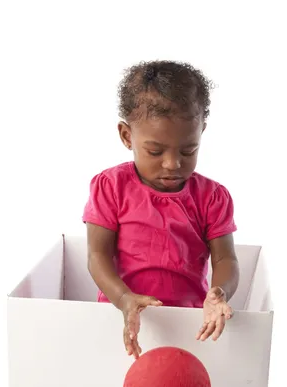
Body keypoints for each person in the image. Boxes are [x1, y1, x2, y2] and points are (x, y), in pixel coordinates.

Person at [83, 60, 239, 359]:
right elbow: (97, 255)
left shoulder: (212, 197)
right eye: (155, 151)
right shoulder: (110, 186)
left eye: (188, 150)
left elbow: (225, 258)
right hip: (121, 317)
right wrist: (124, 298)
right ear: (127, 136)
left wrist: (219, 293)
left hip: (190, 325)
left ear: (201, 132)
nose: (172, 164)